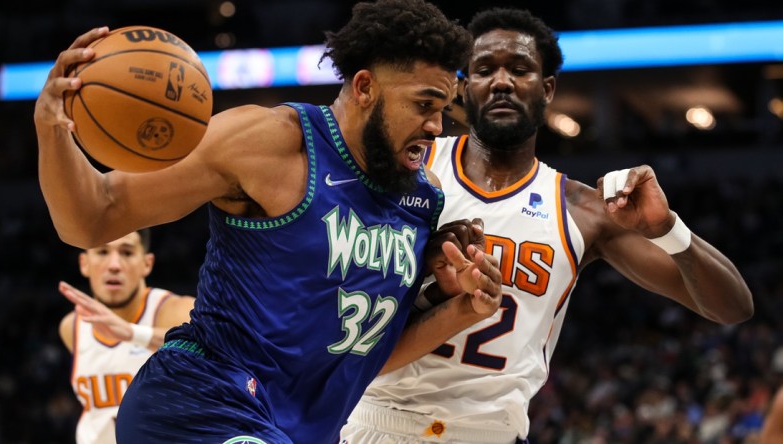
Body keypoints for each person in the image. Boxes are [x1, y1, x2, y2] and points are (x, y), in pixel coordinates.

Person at [34, 1, 504, 442]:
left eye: (443, 109)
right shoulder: (267, 144)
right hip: (198, 401)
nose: (437, 126)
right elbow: (93, 218)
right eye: (424, 105)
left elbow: (363, 358)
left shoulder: (422, 199)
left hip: (284, 428)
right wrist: (52, 129)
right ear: (364, 88)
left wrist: (464, 306)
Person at [341, 7, 754, 444]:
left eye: (520, 69)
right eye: (485, 70)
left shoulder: (583, 210)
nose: (502, 81)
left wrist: (667, 229)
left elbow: (732, 307)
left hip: (490, 432)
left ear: (548, 89)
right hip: (379, 418)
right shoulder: (413, 167)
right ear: (463, 88)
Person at [57, 228, 195, 444]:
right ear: (84, 263)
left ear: (147, 264)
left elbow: (209, 345)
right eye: (102, 252)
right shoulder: (71, 327)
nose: (114, 265)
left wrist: (131, 333)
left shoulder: (174, 310)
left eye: (127, 253)